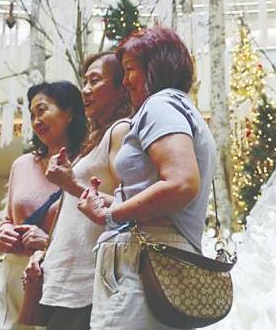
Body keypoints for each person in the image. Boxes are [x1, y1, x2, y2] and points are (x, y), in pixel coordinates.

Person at [77, 27, 216, 330]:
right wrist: (111, 203)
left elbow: (181, 184)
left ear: (156, 66)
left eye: (130, 70)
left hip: (144, 261)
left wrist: (112, 213)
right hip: (157, 259)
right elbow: (165, 189)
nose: (125, 81)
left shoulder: (160, 105)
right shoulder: (180, 108)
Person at [23, 52, 130, 330]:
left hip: (88, 284)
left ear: (121, 88)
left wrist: (72, 184)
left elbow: (129, 205)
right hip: (63, 281)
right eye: (84, 82)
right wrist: (44, 252)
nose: (85, 89)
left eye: (95, 81)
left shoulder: (120, 131)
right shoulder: (92, 142)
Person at [0, 81, 86, 330]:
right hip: (13, 274)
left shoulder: (87, 164)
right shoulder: (22, 165)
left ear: (70, 112)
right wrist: (1, 234)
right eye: (32, 115)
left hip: (60, 278)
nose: (36, 120)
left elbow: (96, 229)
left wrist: (49, 243)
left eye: (42, 110)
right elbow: (8, 217)